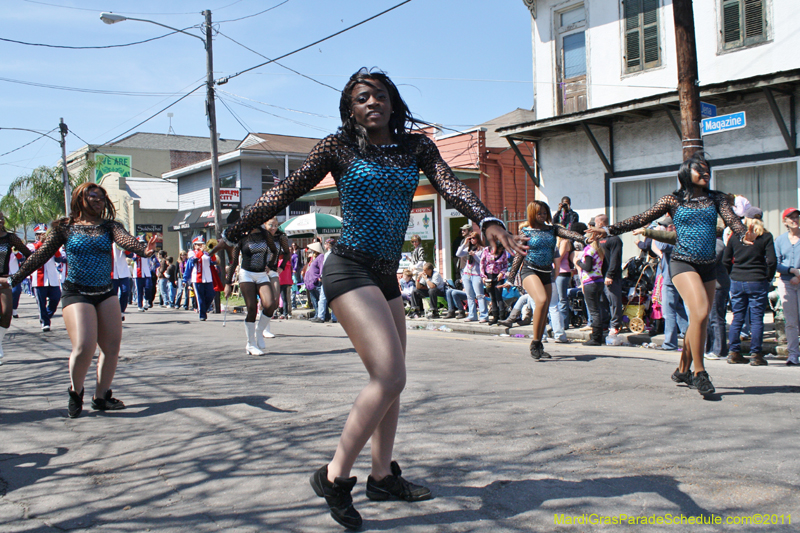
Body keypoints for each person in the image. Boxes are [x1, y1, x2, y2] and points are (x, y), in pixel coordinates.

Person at [212, 67, 523, 530]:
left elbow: (450, 184)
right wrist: (233, 228)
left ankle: (381, 475)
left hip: (386, 276)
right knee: (389, 373)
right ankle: (335, 476)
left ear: (392, 102)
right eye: (361, 98)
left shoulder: (416, 147)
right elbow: (285, 190)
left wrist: (485, 216)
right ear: (350, 109)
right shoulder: (337, 147)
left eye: (378, 95)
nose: (370, 102)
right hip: (349, 268)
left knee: (393, 380)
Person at [586, 153, 754, 397]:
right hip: (682, 263)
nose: (706, 172)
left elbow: (732, 221)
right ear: (686, 173)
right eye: (700, 169)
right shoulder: (672, 200)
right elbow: (642, 218)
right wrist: (608, 229)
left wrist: (742, 234)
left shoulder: (716, 198)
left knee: (700, 319)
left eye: (708, 169)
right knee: (699, 312)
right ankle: (700, 373)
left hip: (708, 265)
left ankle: (683, 369)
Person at [1, 183, 156, 415]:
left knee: (111, 347)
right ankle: (76, 390)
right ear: (79, 199)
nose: (99, 201)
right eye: (93, 196)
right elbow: (40, 256)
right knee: (84, 346)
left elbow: (125, 239)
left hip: (105, 292)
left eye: (102, 198)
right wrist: (13, 279)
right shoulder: (65, 227)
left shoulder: (110, 226)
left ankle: (101, 396)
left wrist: (143, 249)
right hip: (76, 292)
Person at [507, 201, 586, 360]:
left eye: (544, 213)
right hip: (530, 270)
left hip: (546, 272)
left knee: (545, 309)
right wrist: (510, 277)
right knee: (542, 301)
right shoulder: (526, 231)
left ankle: (539, 344)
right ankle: (535, 343)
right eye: (539, 213)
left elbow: (571, 234)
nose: (542, 216)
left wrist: (585, 237)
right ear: (532, 214)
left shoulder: (553, 229)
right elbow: (519, 255)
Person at [723, 208, 776, 366]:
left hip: (737, 280)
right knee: (757, 318)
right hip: (757, 280)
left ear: (745, 219)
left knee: (737, 317)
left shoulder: (736, 236)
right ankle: (756, 354)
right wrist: (768, 277)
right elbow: (772, 261)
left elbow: (726, 260)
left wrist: (732, 275)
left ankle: (734, 352)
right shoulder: (766, 236)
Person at [224, 219, 277, 355]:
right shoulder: (242, 236)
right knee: (252, 307)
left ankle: (259, 332)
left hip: (261, 274)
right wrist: (228, 283)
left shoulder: (265, 234)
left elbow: (274, 251)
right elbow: (234, 261)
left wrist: (270, 265)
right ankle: (250, 344)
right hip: (246, 274)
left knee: (271, 304)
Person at [0, 210, 32, 361]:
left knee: (6, 314)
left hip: (4, 280)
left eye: (1, 219)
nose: (0, 221)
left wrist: (18, 275)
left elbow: (30, 256)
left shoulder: (10, 238)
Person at [774, 207, 800, 367]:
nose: (795, 220)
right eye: (791, 218)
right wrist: (791, 271)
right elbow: (775, 263)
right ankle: (793, 354)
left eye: (797, 217)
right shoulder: (780, 240)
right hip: (787, 282)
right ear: (785, 221)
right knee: (790, 322)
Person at [27, 224, 63, 332]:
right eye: (40, 234)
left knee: (56, 298)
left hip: (52, 278)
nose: (42, 236)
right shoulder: (32, 245)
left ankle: (45, 316)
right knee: (41, 303)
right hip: (39, 279)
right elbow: (33, 254)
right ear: (36, 235)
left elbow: (58, 258)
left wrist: (52, 245)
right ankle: (45, 322)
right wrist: (41, 243)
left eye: (44, 234)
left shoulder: (52, 245)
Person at [593, 214, 623, 336]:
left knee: (613, 301)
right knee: (602, 301)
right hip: (599, 275)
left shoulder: (614, 239)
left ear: (600, 224)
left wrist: (610, 275)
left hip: (611, 276)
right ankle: (605, 324)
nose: (595, 226)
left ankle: (615, 325)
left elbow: (615, 259)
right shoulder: (599, 239)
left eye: (596, 223)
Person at [576, 238, 606, 346]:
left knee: (594, 311)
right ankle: (599, 335)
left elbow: (588, 267)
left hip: (590, 282)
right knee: (597, 308)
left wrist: (579, 262)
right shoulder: (599, 250)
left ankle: (596, 337)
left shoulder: (589, 250)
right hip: (599, 280)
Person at [262, 218, 290, 335]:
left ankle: (262, 325)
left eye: (276, 225)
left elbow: (287, 253)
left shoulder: (280, 237)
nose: (273, 227)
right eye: (271, 225)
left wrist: (282, 267)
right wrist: (262, 266)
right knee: (264, 301)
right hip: (260, 271)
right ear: (265, 224)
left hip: (273, 271)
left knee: (274, 302)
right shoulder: (260, 236)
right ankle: (264, 328)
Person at [182, 236, 217, 322]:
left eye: (202, 244)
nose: (200, 246)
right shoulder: (192, 253)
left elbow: (214, 262)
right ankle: (202, 314)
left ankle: (204, 308)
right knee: (200, 297)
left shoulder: (207, 253)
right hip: (197, 279)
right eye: (198, 245)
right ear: (195, 246)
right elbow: (191, 263)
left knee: (211, 294)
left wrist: (212, 252)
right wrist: (185, 279)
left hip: (208, 278)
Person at [456, 231, 487, 322]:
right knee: (469, 296)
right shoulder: (469, 248)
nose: (472, 240)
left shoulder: (482, 249)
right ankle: (472, 315)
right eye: (471, 238)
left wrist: (475, 256)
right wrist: (465, 243)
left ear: (478, 239)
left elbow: (482, 262)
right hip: (467, 274)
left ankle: (484, 316)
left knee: (480, 295)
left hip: (476, 274)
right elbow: (458, 254)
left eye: (474, 238)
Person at [481, 241, 508, 324]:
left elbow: (505, 265)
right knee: (492, 296)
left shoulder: (504, 253)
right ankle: (495, 316)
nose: (500, 251)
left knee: (498, 295)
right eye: (499, 249)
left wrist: (502, 273)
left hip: (499, 276)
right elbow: (482, 263)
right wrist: (483, 276)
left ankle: (502, 317)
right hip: (489, 275)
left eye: (501, 249)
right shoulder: (486, 250)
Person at [303, 242, 325, 315]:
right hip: (310, 281)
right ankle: (316, 313)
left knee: (319, 299)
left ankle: (322, 314)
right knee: (314, 299)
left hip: (316, 280)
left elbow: (321, 267)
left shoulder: (321, 256)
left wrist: (320, 276)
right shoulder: (313, 258)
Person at [132, 239, 154, 312]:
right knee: (139, 290)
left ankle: (146, 299)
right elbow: (134, 258)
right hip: (138, 273)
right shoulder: (135, 252)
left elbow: (151, 254)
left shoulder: (146, 251)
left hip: (147, 272)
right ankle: (139, 305)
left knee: (148, 287)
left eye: (143, 244)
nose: (142, 245)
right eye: (141, 244)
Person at [112, 243, 132, 318]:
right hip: (112, 274)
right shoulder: (107, 243)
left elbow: (131, 255)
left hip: (123, 272)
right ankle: (113, 312)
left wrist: (124, 248)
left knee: (125, 291)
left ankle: (121, 311)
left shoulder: (123, 243)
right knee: (113, 295)